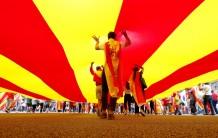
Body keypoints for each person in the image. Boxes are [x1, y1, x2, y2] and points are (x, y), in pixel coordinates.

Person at [92, 30, 131, 119]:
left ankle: (104, 112)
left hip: (106, 71)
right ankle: (111, 112)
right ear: (115, 37)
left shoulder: (105, 44)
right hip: (116, 71)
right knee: (115, 90)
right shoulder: (119, 44)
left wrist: (97, 41)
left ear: (108, 37)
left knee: (105, 91)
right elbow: (129, 43)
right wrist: (125, 35)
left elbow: (96, 47)